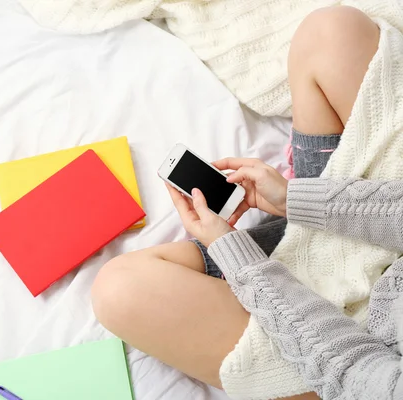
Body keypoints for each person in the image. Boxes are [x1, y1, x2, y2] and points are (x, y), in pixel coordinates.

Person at [91, 6, 403, 400]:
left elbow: (352, 370)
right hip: (375, 232)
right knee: (332, 32)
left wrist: (234, 253)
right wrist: (294, 200)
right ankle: (304, 223)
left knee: (120, 291)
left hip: (348, 351)